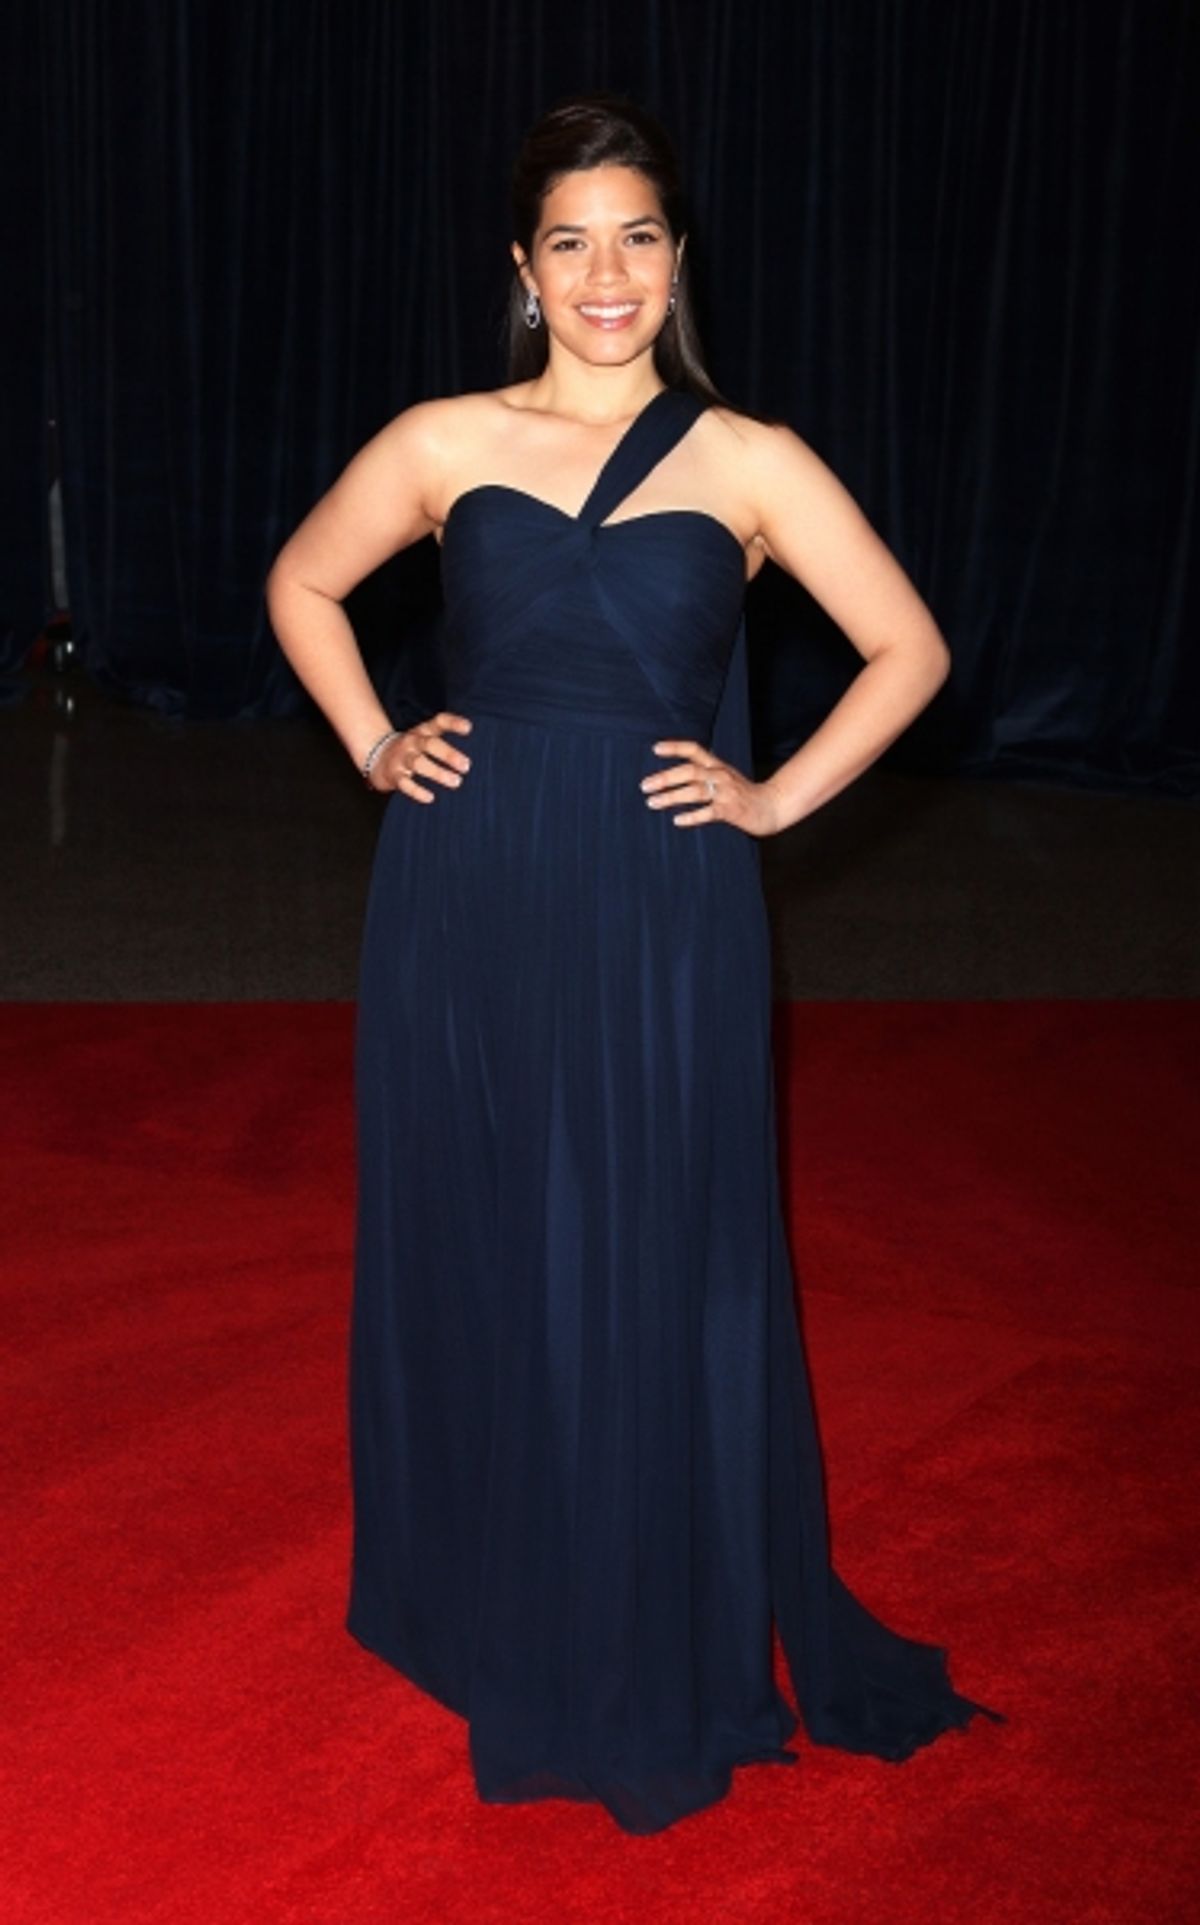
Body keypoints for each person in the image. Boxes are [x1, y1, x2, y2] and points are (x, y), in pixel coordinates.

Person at [265, 90, 1003, 1836]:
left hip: (665, 905)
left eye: (640, 237)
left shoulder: (747, 459)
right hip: (468, 895)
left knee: (656, 1242)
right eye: (572, 242)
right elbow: (304, 582)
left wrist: (770, 798)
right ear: (523, 270)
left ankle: (639, 1588)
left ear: (677, 263)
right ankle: (485, 1577)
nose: (608, 275)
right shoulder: (444, 440)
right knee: (490, 1225)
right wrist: (378, 742)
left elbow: (910, 646)